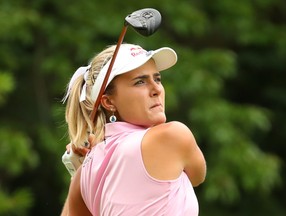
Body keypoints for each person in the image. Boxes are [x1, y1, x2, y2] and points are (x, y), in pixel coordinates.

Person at [61, 43, 206, 216]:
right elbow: (198, 176)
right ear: (108, 102)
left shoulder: (83, 173)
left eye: (157, 79)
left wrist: (78, 171)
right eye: (140, 82)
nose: (156, 89)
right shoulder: (172, 136)